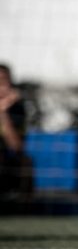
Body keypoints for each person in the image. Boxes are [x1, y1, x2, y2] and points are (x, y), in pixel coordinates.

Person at [0, 63, 34, 201]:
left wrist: (2, 111)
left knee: (26, 162)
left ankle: (22, 209)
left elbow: (16, 146)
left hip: (8, 159)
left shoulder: (17, 108)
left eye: (3, 81)